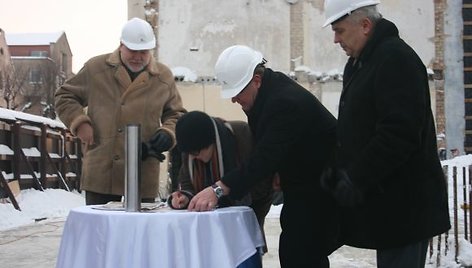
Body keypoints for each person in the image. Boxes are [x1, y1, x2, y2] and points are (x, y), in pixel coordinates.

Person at [321, 1, 451, 267]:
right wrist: (338, 169)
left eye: (340, 30)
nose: (335, 39)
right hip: (388, 207)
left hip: (406, 207)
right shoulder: (361, 63)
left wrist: (356, 178)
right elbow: (356, 127)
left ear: (365, 25)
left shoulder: (395, 59)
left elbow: (399, 133)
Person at [187, 45, 339, 268]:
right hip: (303, 185)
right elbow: (276, 146)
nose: (234, 100)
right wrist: (278, 168)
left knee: (301, 253)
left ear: (256, 80)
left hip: (321, 186)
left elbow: (263, 157)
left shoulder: (283, 102)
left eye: (237, 92)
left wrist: (218, 188)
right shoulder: (266, 95)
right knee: (294, 250)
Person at [55, 17, 186, 205]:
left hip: (143, 167)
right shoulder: (96, 68)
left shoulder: (163, 77)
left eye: (144, 52)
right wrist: (79, 122)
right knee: (101, 230)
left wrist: (167, 132)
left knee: (139, 231)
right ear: (121, 45)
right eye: (133, 50)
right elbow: (64, 95)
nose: (138, 57)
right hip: (102, 168)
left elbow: (176, 113)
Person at [167, 110, 274, 258]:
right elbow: (187, 184)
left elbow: (261, 180)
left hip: (245, 218)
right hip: (206, 231)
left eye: (197, 152)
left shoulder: (241, 135)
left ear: (211, 143)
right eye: (190, 154)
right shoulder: (190, 150)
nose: (194, 158)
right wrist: (184, 197)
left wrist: (219, 193)